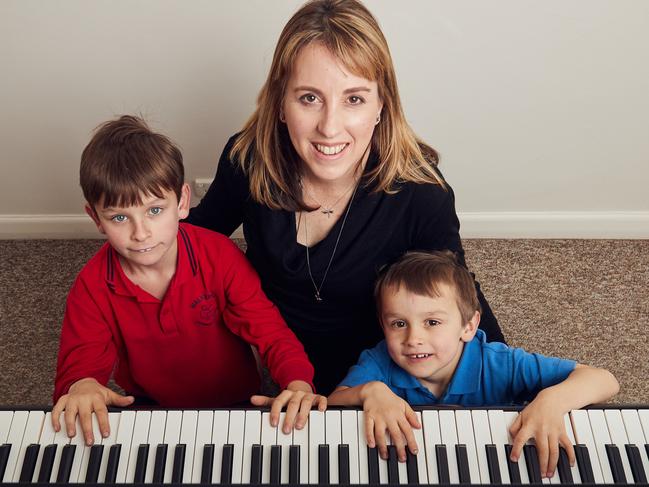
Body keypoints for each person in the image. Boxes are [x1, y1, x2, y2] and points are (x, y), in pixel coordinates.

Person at [186, 0, 504, 395]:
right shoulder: (249, 158)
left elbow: (454, 292)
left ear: (380, 106)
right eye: (309, 98)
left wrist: (509, 398)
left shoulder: (422, 191)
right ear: (281, 104)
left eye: (353, 99)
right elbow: (192, 239)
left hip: (379, 373)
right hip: (276, 358)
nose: (329, 127)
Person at [52, 115, 325, 446]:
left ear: (181, 202)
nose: (141, 234)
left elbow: (271, 332)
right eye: (120, 218)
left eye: (154, 210)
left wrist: (298, 382)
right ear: (95, 218)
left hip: (235, 403)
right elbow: (78, 367)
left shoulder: (220, 255)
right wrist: (81, 386)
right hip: (149, 408)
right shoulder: (91, 288)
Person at [328, 250, 619, 478]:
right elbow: (332, 404)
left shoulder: (497, 362)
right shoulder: (379, 362)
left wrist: (551, 401)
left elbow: (604, 380)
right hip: (413, 464)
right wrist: (370, 392)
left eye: (432, 322)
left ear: (468, 326)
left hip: (497, 462)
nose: (413, 338)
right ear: (383, 325)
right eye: (399, 323)